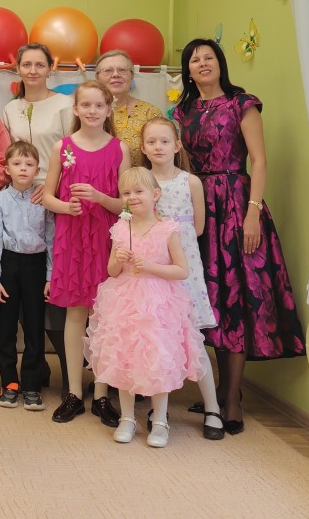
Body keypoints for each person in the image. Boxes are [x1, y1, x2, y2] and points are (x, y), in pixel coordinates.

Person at [173, 38, 304, 434]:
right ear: (188, 71)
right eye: (194, 60)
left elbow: (259, 161)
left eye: (209, 57)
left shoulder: (242, 104)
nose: (202, 63)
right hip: (199, 207)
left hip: (236, 204)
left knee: (236, 299)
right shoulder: (183, 111)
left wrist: (253, 211)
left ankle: (230, 400)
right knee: (209, 299)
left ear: (220, 63)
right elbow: (182, 163)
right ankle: (220, 390)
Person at [85, 168, 207, 448]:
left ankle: (160, 421)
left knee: (157, 360)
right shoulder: (121, 228)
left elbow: (182, 270)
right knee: (125, 358)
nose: (132, 197)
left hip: (158, 303)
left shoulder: (168, 229)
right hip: (125, 300)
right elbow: (112, 271)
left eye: (139, 191)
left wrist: (151, 266)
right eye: (126, 193)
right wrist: (119, 259)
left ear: (155, 195)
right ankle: (127, 418)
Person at [42, 80, 130, 425]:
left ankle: (102, 393)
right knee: (75, 313)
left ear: (108, 110)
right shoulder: (62, 147)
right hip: (73, 238)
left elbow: (127, 204)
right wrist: (66, 207)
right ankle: (74, 393)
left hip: (106, 240)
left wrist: (101, 198)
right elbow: (47, 196)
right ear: (76, 109)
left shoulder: (120, 149)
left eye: (99, 105)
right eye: (86, 105)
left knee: (103, 315)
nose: (92, 111)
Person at [140, 117, 224, 440]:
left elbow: (198, 227)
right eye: (151, 142)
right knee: (157, 339)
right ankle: (158, 409)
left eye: (164, 141)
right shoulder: (141, 180)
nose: (158, 147)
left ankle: (212, 408)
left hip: (183, 267)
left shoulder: (190, 182)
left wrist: (172, 233)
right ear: (143, 147)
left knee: (193, 339)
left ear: (177, 146)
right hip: (153, 269)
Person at [2, 42, 73, 397]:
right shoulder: (10, 108)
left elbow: (72, 152)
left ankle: (67, 368)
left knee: (53, 283)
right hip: (21, 198)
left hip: (54, 196)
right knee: (22, 282)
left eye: (39, 64)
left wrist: (51, 184)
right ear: (17, 68)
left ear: (50, 68)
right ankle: (36, 365)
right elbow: (10, 154)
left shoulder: (64, 104)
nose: (32, 70)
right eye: (26, 64)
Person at [0, 140, 54, 411]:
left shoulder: (44, 199)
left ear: (38, 169)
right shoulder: (0, 200)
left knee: (35, 327)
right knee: (6, 327)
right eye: (17, 163)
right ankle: (9, 382)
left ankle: (31, 385)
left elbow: (51, 238)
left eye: (29, 164)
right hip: (9, 264)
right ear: (7, 169)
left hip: (36, 266)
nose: (23, 168)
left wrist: (50, 276)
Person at [94, 50, 163, 166]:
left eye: (122, 70)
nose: (116, 74)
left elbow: (164, 157)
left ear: (132, 75)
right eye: (108, 70)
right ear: (97, 77)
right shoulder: (87, 113)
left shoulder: (150, 113)